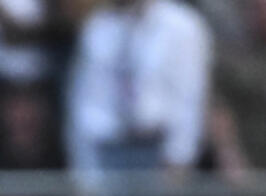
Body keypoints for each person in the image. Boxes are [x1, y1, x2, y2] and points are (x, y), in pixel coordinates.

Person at [66, 0, 213, 182]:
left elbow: (189, 97)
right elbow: (84, 102)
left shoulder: (182, 26)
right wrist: (84, 168)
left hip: (158, 152)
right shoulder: (98, 26)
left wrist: (180, 156)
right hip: (107, 151)